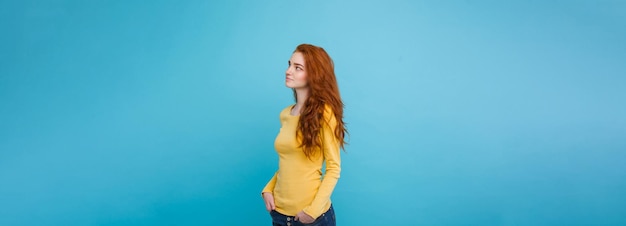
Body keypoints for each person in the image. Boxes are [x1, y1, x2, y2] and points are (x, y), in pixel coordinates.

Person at [262, 44, 347, 226]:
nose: (288, 71)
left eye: (297, 68)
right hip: (279, 215)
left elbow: (333, 168)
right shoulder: (285, 114)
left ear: (313, 75)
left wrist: (312, 212)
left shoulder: (324, 114)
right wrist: (268, 189)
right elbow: (290, 163)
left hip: (311, 218)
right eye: (289, 64)